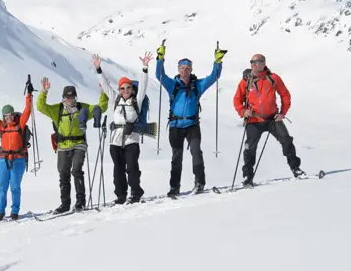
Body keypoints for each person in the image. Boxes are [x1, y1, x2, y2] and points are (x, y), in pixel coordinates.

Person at [155, 44, 225, 198]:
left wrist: (218, 62)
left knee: (196, 152)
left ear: (191, 70)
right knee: (176, 157)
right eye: (182, 68)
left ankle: (200, 183)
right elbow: (159, 75)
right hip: (175, 125)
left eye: (187, 68)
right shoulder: (172, 85)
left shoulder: (197, 85)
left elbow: (214, 77)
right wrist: (160, 59)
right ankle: (174, 187)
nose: (185, 71)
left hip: (192, 125)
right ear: (178, 70)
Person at [35, 78, 108, 213]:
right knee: (63, 173)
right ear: (63, 97)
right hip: (63, 146)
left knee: (76, 170)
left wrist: (104, 92)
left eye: (72, 97)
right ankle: (65, 204)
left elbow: (101, 107)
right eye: (67, 97)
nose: (69, 99)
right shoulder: (57, 109)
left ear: (75, 97)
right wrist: (44, 92)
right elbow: (40, 107)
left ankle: (80, 201)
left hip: (79, 144)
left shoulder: (82, 108)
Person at [233, 54, 304, 186]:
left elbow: (285, 95)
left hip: (272, 119)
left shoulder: (273, 78)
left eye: (257, 62)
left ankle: (296, 168)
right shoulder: (245, 81)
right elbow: (237, 99)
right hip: (253, 120)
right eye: (252, 62)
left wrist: (283, 113)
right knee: (250, 149)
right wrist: (243, 111)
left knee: (286, 140)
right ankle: (248, 176)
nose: (254, 64)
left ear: (264, 63)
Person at [93, 52, 153, 204]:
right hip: (115, 140)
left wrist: (145, 67)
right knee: (117, 169)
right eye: (122, 88)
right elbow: (106, 86)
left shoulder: (136, 101)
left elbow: (144, 85)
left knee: (132, 168)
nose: (125, 90)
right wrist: (98, 70)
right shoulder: (116, 99)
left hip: (131, 139)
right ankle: (121, 195)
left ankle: (136, 192)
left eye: (128, 87)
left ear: (132, 89)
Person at [0, 81, 33, 220]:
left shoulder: (20, 125)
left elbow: (27, 111)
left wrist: (29, 94)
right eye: (6, 115)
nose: (8, 117)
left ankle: (14, 211)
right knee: (2, 186)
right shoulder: (1, 126)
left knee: (15, 187)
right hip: (3, 159)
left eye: (10, 115)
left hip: (18, 159)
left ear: (14, 115)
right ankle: (0, 211)